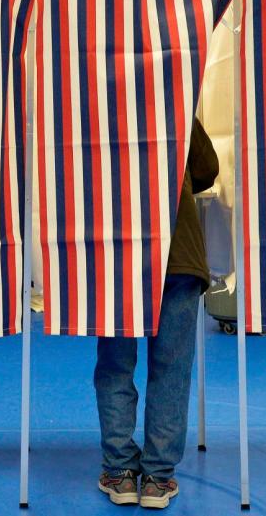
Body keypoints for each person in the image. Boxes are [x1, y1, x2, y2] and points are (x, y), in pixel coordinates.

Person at [95, 118, 218, 509]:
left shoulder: (88, 100)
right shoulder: (175, 98)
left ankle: (119, 471)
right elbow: (206, 170)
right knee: (172, 369)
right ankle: (157, 479)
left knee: (116, 364)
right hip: (178, 255)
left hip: (117, 253)